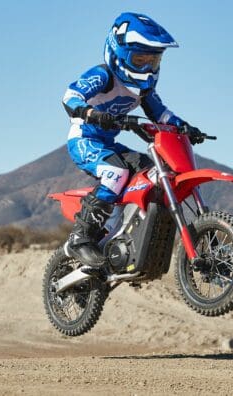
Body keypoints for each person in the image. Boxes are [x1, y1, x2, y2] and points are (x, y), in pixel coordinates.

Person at [62, 12, 205, 267]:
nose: (148, 66)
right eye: (140, 58)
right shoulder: (104, 76)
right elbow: (71, 95)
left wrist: (186, 127)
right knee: (115, 172)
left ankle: (126, 235)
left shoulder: (144, 89)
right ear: (119, 52)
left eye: (154, 59)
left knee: (152, 175)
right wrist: (90, 113)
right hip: (85, 140)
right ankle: (80, 238)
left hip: (110, 144)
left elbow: (161, 113)